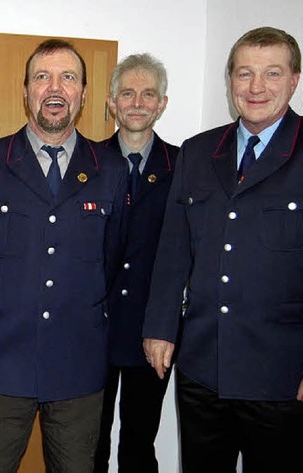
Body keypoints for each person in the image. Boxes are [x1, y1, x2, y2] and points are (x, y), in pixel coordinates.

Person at [0, 39, 128, 472]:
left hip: (78, 361)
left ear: (84, 92)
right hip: (0, 361)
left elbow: (113, 254)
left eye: (68, 77)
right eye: (42, 77)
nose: (55, 88)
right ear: (26, 90)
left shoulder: (111, 169)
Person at [143, 26, 303, 472]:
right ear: (229, 81)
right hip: (203, 367)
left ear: (294, 80)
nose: (256, 87)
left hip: (282, 375)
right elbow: (174, 250)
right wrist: (160, 328)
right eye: (244, 74)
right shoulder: (197, 152)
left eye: (272, 73)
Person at [94, 53, 178, 473]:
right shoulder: (86, 163)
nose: (138, 102)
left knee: (139, 446)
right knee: (88, 444)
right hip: (92, 329)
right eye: (128, 93)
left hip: (153, 331)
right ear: (112, 102)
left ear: (162, 104)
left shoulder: (183, 166)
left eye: (149, 94)